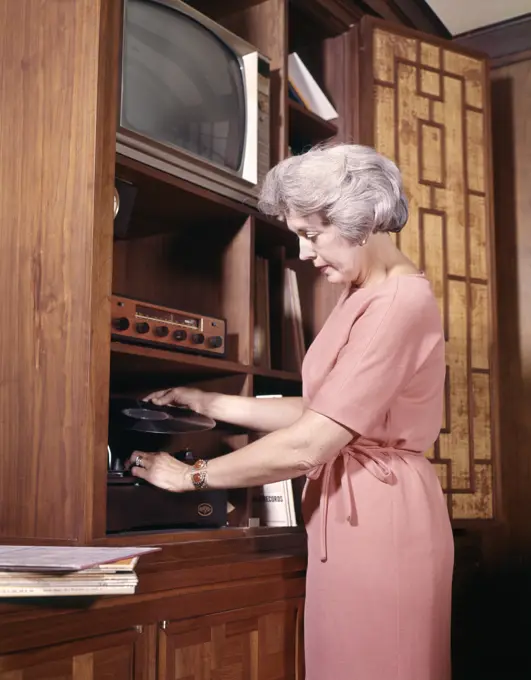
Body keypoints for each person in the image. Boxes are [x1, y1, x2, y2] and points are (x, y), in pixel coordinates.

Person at [127, 143, 454, 680]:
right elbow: (331, 409)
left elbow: (313, 440)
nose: (304, 253)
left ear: (362, 220)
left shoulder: (398, 302)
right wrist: (211, 401)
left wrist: (193, 477)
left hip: (382, 519)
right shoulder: (363, 293)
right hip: (349, 515)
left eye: (310, 234)